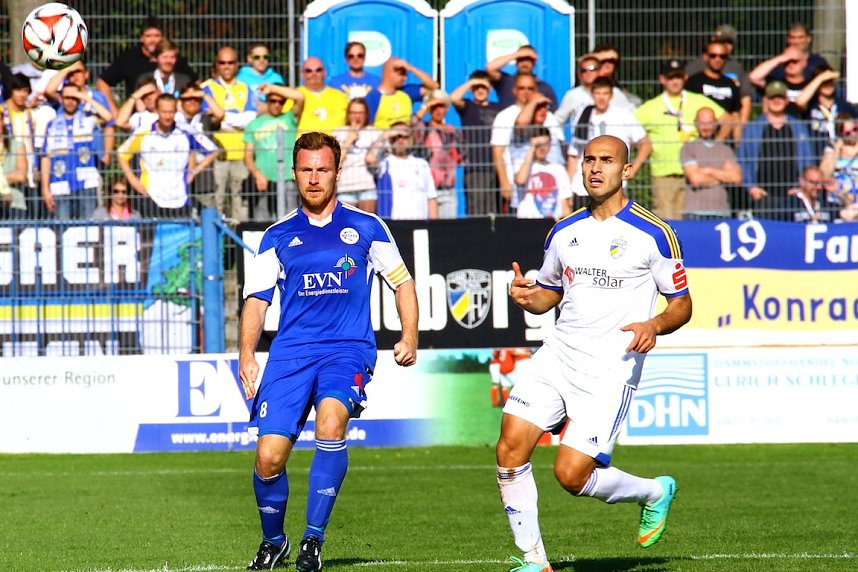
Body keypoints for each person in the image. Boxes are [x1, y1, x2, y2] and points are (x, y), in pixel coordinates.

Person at [498, 135, 692, 572]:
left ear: (626, 170)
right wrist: (528, 296)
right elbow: (549, 293)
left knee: (570, 475)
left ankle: (653, 491)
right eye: (589, 160)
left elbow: (682, 304)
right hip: (558, 355)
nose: (595, 168)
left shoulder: (654, 234)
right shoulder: (564, 231)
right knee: (509, 447)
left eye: (606, 160)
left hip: (610, 369)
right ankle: (534, 561)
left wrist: (653, 325)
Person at [239, 131, 418, 571]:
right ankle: (274, 540)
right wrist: (246, 354)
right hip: (290, 355)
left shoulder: (367, 227)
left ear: (338, 172)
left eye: (322, 169)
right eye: (306, 170)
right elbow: (257, 300)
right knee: (268, 458)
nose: (314, 178)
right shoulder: (277, 235)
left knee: (332, 423)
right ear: (294, 173)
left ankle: (312, 540)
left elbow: (403, 283)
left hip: (347, 350)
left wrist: (409, 336)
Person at [634, 59, 725, 220]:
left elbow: (728, 119)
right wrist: (643, 147)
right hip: (664, 172)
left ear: (685, 78)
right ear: (662, 79)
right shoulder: (650, 107)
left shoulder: (698, 100)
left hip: (694, 172)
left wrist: (714, 143)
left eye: (678, 77)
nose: (675, 81)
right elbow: (630, 129)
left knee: (690, 220)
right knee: (665, 219)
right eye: (670, 78)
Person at [117, 93, 219, 218]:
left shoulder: (186, 131)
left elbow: (213, 150)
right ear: (157, 111)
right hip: (151, 197)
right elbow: (121, 154)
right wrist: (133, 180)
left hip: (180, 198)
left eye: (171, 112)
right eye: (164, 112)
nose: (167, 116)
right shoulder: (144, 132)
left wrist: (194, 171)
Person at [567, 76, 651, 205]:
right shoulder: (583, 116)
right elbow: (574, 154)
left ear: (611, 95)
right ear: (592, 94)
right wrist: (568, 188)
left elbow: (645, 144)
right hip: (583, 187)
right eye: (598, 93)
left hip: (613, 185)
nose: (601, 97)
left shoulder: (623, 116)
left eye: (605, 93)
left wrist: (633, 170)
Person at [737, 80, 814, 220]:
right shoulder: (752, 128)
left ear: (787, 100)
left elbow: (808, 159)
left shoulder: (798, 127)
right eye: (772, 97)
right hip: (762, 196)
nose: (776, 101)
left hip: (793, 195)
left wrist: (802, 187)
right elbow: (743, 159)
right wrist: (751, 187)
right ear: (765, 100)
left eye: (780, 97)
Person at [491, 74, 564, 212]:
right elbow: (498, 152)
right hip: (522, 186)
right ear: (514, 90)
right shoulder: (505, 116)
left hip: (551, 187)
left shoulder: (548, 117)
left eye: (530, 89)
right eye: (522, 88)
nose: (526, 92)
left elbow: (560, 150)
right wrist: (504, 182)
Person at [202, 46, 259, 219]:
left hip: (241, 154)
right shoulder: (206, 89)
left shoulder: (245, 88)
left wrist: (223, 117)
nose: (226, 66)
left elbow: (251, 119)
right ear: (216, 65)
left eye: (230, 62)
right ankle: (216, 238)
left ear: (237, 65)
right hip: (218, 156)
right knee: (216, 202)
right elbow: (209, 122)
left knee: (240, 206)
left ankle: (238, 238)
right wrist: (237, 119)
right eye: (222, 62)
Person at [95, 16, 193, 117]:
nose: (153, 40)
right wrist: (114, 111)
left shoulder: (173, 60)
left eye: (157, 36)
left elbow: (195, 83)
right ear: (141, 38)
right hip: (139, 117)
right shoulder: (129, 58)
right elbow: (102, 82)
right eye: (148, 36)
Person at [41, 84, 112, 219]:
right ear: (60, 99)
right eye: (67, 97)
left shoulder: (88, 119)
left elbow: (108, 117)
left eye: (74, 98)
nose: (70, 101)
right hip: (60, 183)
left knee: (89, 227)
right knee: (63, 226)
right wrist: (45, 188)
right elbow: (46, 157)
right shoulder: (52, 124)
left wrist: (85, 97)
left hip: (87, 182)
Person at [243, 83, 304, 219]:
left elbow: (300, 97)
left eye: (281, 102)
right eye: (273, 101)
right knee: (262, 220)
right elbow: (247, 157)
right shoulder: (254, 124)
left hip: (287, 178)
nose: (277, 105)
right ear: (267, 101)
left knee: (290, 219)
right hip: (264, 179)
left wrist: (273, 88)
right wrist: (257, 175)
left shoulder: (289, 118)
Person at [450, 70, 503, 215]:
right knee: (477, 211)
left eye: (483, 87)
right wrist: (473, 82)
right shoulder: (467, 106)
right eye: (476, 87)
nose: (480, 90)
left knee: (495, 211)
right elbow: (454, 98)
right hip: (475, 167)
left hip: (497, 167)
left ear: (489, 88)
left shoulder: (499, 108)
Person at [365, 122, 438, 220]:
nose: (400, 140)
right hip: (394, 223)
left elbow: (431, 198)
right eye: (396, 137)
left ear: (411, 139)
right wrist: (386, 134)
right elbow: (370, 159)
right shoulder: (384, 163)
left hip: (419, 223)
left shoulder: (422, 164)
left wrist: (434, 225)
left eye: (405, 136)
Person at [680, 107, 742, 219]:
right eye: (702, 123)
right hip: (695, 213)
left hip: (721, 212)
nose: (706, 127)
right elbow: (696, 179)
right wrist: (723, 177)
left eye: (709, 123)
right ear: (695, 123)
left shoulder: (725, 150)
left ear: (716, 123)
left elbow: (736, 178)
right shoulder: (688, 148)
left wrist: (709, 171)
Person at [685, 40, 749, 142]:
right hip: (698, 139)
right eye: (713, 55)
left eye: (722, 56)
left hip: (724, 140)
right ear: (706, 57)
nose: (718, 59)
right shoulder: (693, 82)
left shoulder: (731, 84)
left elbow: (735, 114)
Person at [412, 90, 462, 219]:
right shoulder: (423, 129)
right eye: (434, 107)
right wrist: (427, 105)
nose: (438, 111)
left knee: (448, 227)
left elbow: (461, 158)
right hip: (427, 188)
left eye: (441, 106)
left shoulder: (454, 131)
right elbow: (412, 123)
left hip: (447, 189)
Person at [554, 54, 635, 127]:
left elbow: (632, 115)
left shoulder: (615, 92)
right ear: (579, 75)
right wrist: (560, 138)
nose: (588, 72)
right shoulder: (573, 95)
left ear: (600, 71)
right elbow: (557, 120)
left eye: (592, 68)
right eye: (584, 70)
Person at [796, 66, 857, 160]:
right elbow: (799, 102)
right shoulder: (811, 106)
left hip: (842, 159)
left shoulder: (844, 105)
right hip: (817, 158)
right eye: (824, 82)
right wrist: (821, 77)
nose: (828, 85)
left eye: (830, 81)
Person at [1, 73, 41, 218]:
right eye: (18, 90)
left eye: (25, 91)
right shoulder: (2, 112)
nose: (22, 95)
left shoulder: (30, 114)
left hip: (29, 173)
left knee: (33, 218)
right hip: (8, 172)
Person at [333, 97, 382, 212]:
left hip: (367, 186)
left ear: (366, 114)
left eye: (360, 113)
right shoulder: (339, 132)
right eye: (354, 113)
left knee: (367, 222)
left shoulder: (374, 132)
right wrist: (349, 140)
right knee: (347, 222)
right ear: (348, 114)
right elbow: (336, 162)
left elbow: (376, 160)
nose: (357, 116)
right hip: (345, 187)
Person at [513, 127, 572, 220]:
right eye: (538, 145)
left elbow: (565, 203)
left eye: (545, 144)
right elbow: (521, 180)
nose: (542, 148)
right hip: (527, 221)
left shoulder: (559, 169)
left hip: (553, 222)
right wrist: (531, 149)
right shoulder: (522, 165)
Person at [365, 57, 439, 129]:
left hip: (406, 137)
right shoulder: (372, 97)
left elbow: (434, 86)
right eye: (402, 74)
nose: (405, 78)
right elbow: (367, 128)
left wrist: (411, 68)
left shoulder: (406, 92)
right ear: (389, 73)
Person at [486, 45, 558, 110]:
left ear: (534, 63)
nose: (524, 63)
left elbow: (553, 113)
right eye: (521, 59)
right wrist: (517, 54)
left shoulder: (544, 87)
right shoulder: (506, 81)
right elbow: (490, 68)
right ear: (516, 61)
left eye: (528, 60)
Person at [820, 117, 858, 222]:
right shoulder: (832, 147)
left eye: (855, 129)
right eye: (847, 133)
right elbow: (824, 175)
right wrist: (836, 150)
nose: (853, 134)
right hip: (838, 200)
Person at [296, 57, 348, 133]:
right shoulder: (295, 96)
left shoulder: (340, 97)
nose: (314, 74)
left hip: (335, 140)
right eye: (309, 71)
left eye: (318, 70)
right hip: (302, 140)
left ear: (325, 73)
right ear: (302, 74)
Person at [237, 43, 286, 107]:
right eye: (257, 57)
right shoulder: (239, 78)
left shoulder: (277, 78)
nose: (261, 60)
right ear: (249, 58)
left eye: (265, 57)